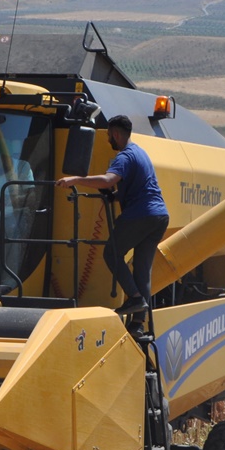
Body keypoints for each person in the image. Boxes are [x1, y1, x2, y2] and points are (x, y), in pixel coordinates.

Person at [55, 115, 169, 315]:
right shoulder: (141, 153)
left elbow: (108, 179)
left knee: (111, 253)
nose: (109, 140)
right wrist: (115, 196)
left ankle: (134, 298)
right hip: (159, 216)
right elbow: (140, 189)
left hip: (140, 214)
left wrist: (76, 180)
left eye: (109, 135)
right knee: (142, 272)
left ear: (116, 134)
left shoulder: (124, 156)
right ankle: (138, 323)